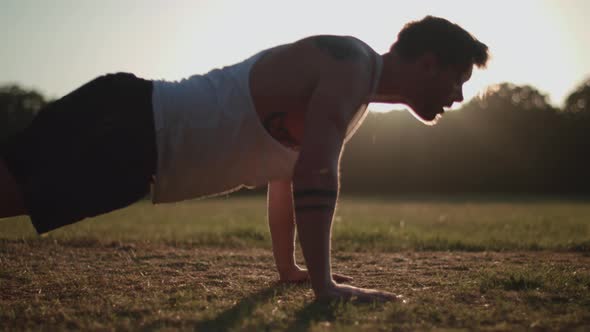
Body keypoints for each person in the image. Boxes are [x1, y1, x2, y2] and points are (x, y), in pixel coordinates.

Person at [0, 16, 489, 302]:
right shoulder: (351, 65)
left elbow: (286, 177)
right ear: (429, 64)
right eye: (459, 79)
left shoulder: (354, 95)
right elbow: (316, 173)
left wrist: (290, 269)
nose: (460, 97)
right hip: (127, 124)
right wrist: (325, 286)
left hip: (137, 154)